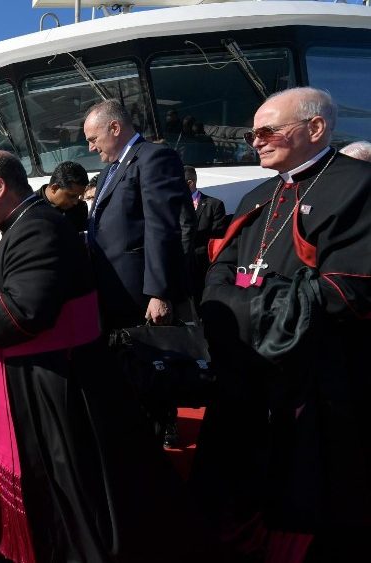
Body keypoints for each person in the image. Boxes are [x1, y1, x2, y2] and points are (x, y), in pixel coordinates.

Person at [0, 151, 207, 563]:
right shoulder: (26, 225)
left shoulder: (37, 229)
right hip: (49, 378)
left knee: (78, 496)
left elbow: (21, 313)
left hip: (61, 387)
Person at [192, 87, 371, 562]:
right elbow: (219, 270)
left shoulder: (358, 185)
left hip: (316, 379)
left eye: (268, 131)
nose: (255, 141)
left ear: (316, 128)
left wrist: (244, 308)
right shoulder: (260, 193)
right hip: (247, 374)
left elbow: (346, 291)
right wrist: (233, 306)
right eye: (252, 133)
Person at [84, 98, 192, 443]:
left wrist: (159, 292)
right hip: (112, 290)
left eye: (93, 138)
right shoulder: (109, 171)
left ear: (115, 128)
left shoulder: (153, 158)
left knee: (150, 366)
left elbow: (162, 227)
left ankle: (159, 433)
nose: (91, 147)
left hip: (139, 292)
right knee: (125, 369)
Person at [183, 166, 229, 304]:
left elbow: (218, 236)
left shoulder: (214, 205)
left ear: (190, 183)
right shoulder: (171, 205)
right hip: (179, 264)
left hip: (202, 265)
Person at [35, 160, 89, 233]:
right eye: (72, 196)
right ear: (54, 188)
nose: (75, 202)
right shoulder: (29, 208)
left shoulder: (79, 209)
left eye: (79, 196)